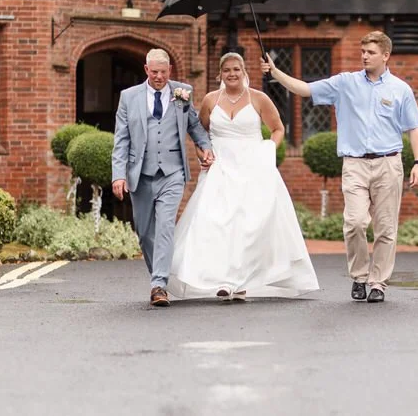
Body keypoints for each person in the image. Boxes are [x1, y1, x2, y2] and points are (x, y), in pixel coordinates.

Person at [261, 31, 418, 304]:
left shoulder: (400, 89)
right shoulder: (345, 83)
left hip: (389, 164)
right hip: (355, 164)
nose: (364, 56)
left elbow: (415, 129)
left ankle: (377, 283)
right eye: (363, 52)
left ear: (385, 55)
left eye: (370, 52)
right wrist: (276, 73)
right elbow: (305, 89)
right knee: (355, 223)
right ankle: (359, 276)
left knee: (386, 229)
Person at [167, 51, 319, 301]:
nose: (232, 74)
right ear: (220, 74)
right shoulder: (210, 100)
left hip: (253, 167)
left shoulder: (259, 98)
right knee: (217, 223)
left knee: (248, 225)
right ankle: (224, 280)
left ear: (244, 71)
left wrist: (269, 149)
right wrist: (203, 154)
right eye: (227, 70)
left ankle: (242, 281)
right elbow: (200, 134)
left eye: (236, 69)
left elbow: (278, 129)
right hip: (220, 168)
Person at [112, 48, 214, 308]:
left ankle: (159, 284)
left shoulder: (182, 93)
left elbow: (194, 125)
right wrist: (118, 176)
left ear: (170, 71)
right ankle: (157, 276)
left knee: (166, 226)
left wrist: (206, 146)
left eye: (163, 72)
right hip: (141, 174)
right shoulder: (129, 97)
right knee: (145, 232)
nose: (159, 77)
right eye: (154, 72)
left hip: (172, 172)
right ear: (146, 70)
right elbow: (121, 140)